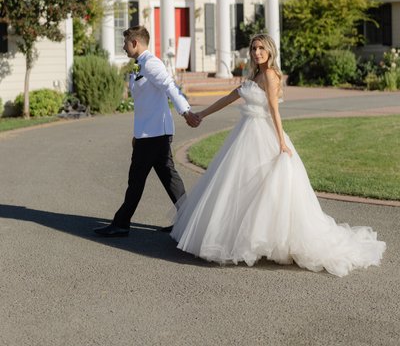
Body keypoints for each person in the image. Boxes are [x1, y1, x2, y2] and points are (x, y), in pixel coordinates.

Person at [170, 34, 386, 277]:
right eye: (254, 48)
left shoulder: (271, 75)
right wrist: (201, 115)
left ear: (270, 51)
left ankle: (267, 241)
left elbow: (273, 108)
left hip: (264, 135)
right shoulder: (253, 76)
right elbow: (228, 98)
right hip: (244, 136)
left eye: (261, 48)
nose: (257, 52)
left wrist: (281, 142)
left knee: (268, 188)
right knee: (240, 187)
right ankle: (237, 237)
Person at [94, 26, 201, 237]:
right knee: (168, 177)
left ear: (135, 43)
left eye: (125, 43)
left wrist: (186, 111)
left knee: (137, 179)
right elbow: (145, 105)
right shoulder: (140, 65)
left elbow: (170, 87)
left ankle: (121, 223)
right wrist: (137, 134)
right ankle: (189, 220)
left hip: (154, 135)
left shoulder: (151, 63)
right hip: (148, 134)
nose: (123, 47)